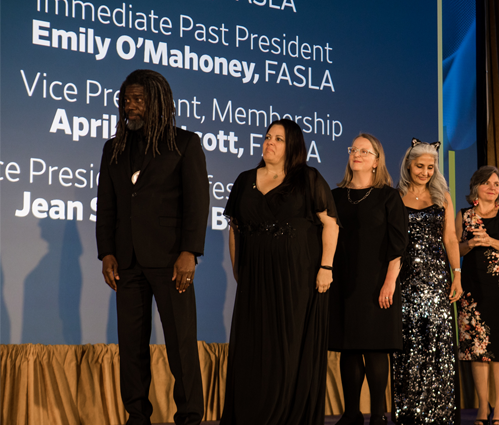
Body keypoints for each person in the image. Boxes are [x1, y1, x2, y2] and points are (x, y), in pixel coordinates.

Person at [96, 69, 209, 425]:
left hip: (171, 261)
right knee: (131, 347)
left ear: (158, 102)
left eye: (138, 100)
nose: (130, 106)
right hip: (127, 262)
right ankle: (136, 415)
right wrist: (107, 252)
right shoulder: (112, 148)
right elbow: (108, 205)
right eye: (126, 100)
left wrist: (190, 251)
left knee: (181, 345)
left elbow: (197, 203)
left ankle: (189, 416)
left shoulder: (185, 144)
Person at [220, 119, 339, 425]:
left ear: (293, 146)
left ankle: (286, 416)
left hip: (296, 277)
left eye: (278, 139)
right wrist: (238, 269)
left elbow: (330, 224)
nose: (269, 142)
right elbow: (235, 228)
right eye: (267, 136)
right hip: (255, 276)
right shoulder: (245, 179)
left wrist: (326, 267)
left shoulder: (308, 178)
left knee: (287, 346)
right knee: (253, 348)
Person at [329, 134, 409, 425]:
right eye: (354, 149)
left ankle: (378, 415)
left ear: (377, 161)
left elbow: (398, 244)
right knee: (348, 349)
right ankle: (352, 414)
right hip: (343, 282)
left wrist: (389, 282)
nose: (357, 154)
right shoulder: (334, 196)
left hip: (378, 283)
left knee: (375, 349)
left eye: (365, 151)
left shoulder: (388, 196)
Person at [391, 139, 463, 425]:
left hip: (436, 280)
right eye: (420, 166)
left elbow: (450, 238)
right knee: (409, 344)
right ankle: (408, 412)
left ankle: (440, 413)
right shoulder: (395, 196)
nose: (425, 172)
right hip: (406, 280)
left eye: (430, 167)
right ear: (409, 165)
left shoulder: (442, 195)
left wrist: (457, 273)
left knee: (438, 346)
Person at [456, 166, 499, 425]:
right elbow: (454, 248)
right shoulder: (464, 215)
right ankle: (482, 408)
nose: (493, 187)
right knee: (476, 348)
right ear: (476, 188)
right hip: (473, 289)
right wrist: (470, 243)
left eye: (497, 184)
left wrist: (490, 240)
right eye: (487, 183)